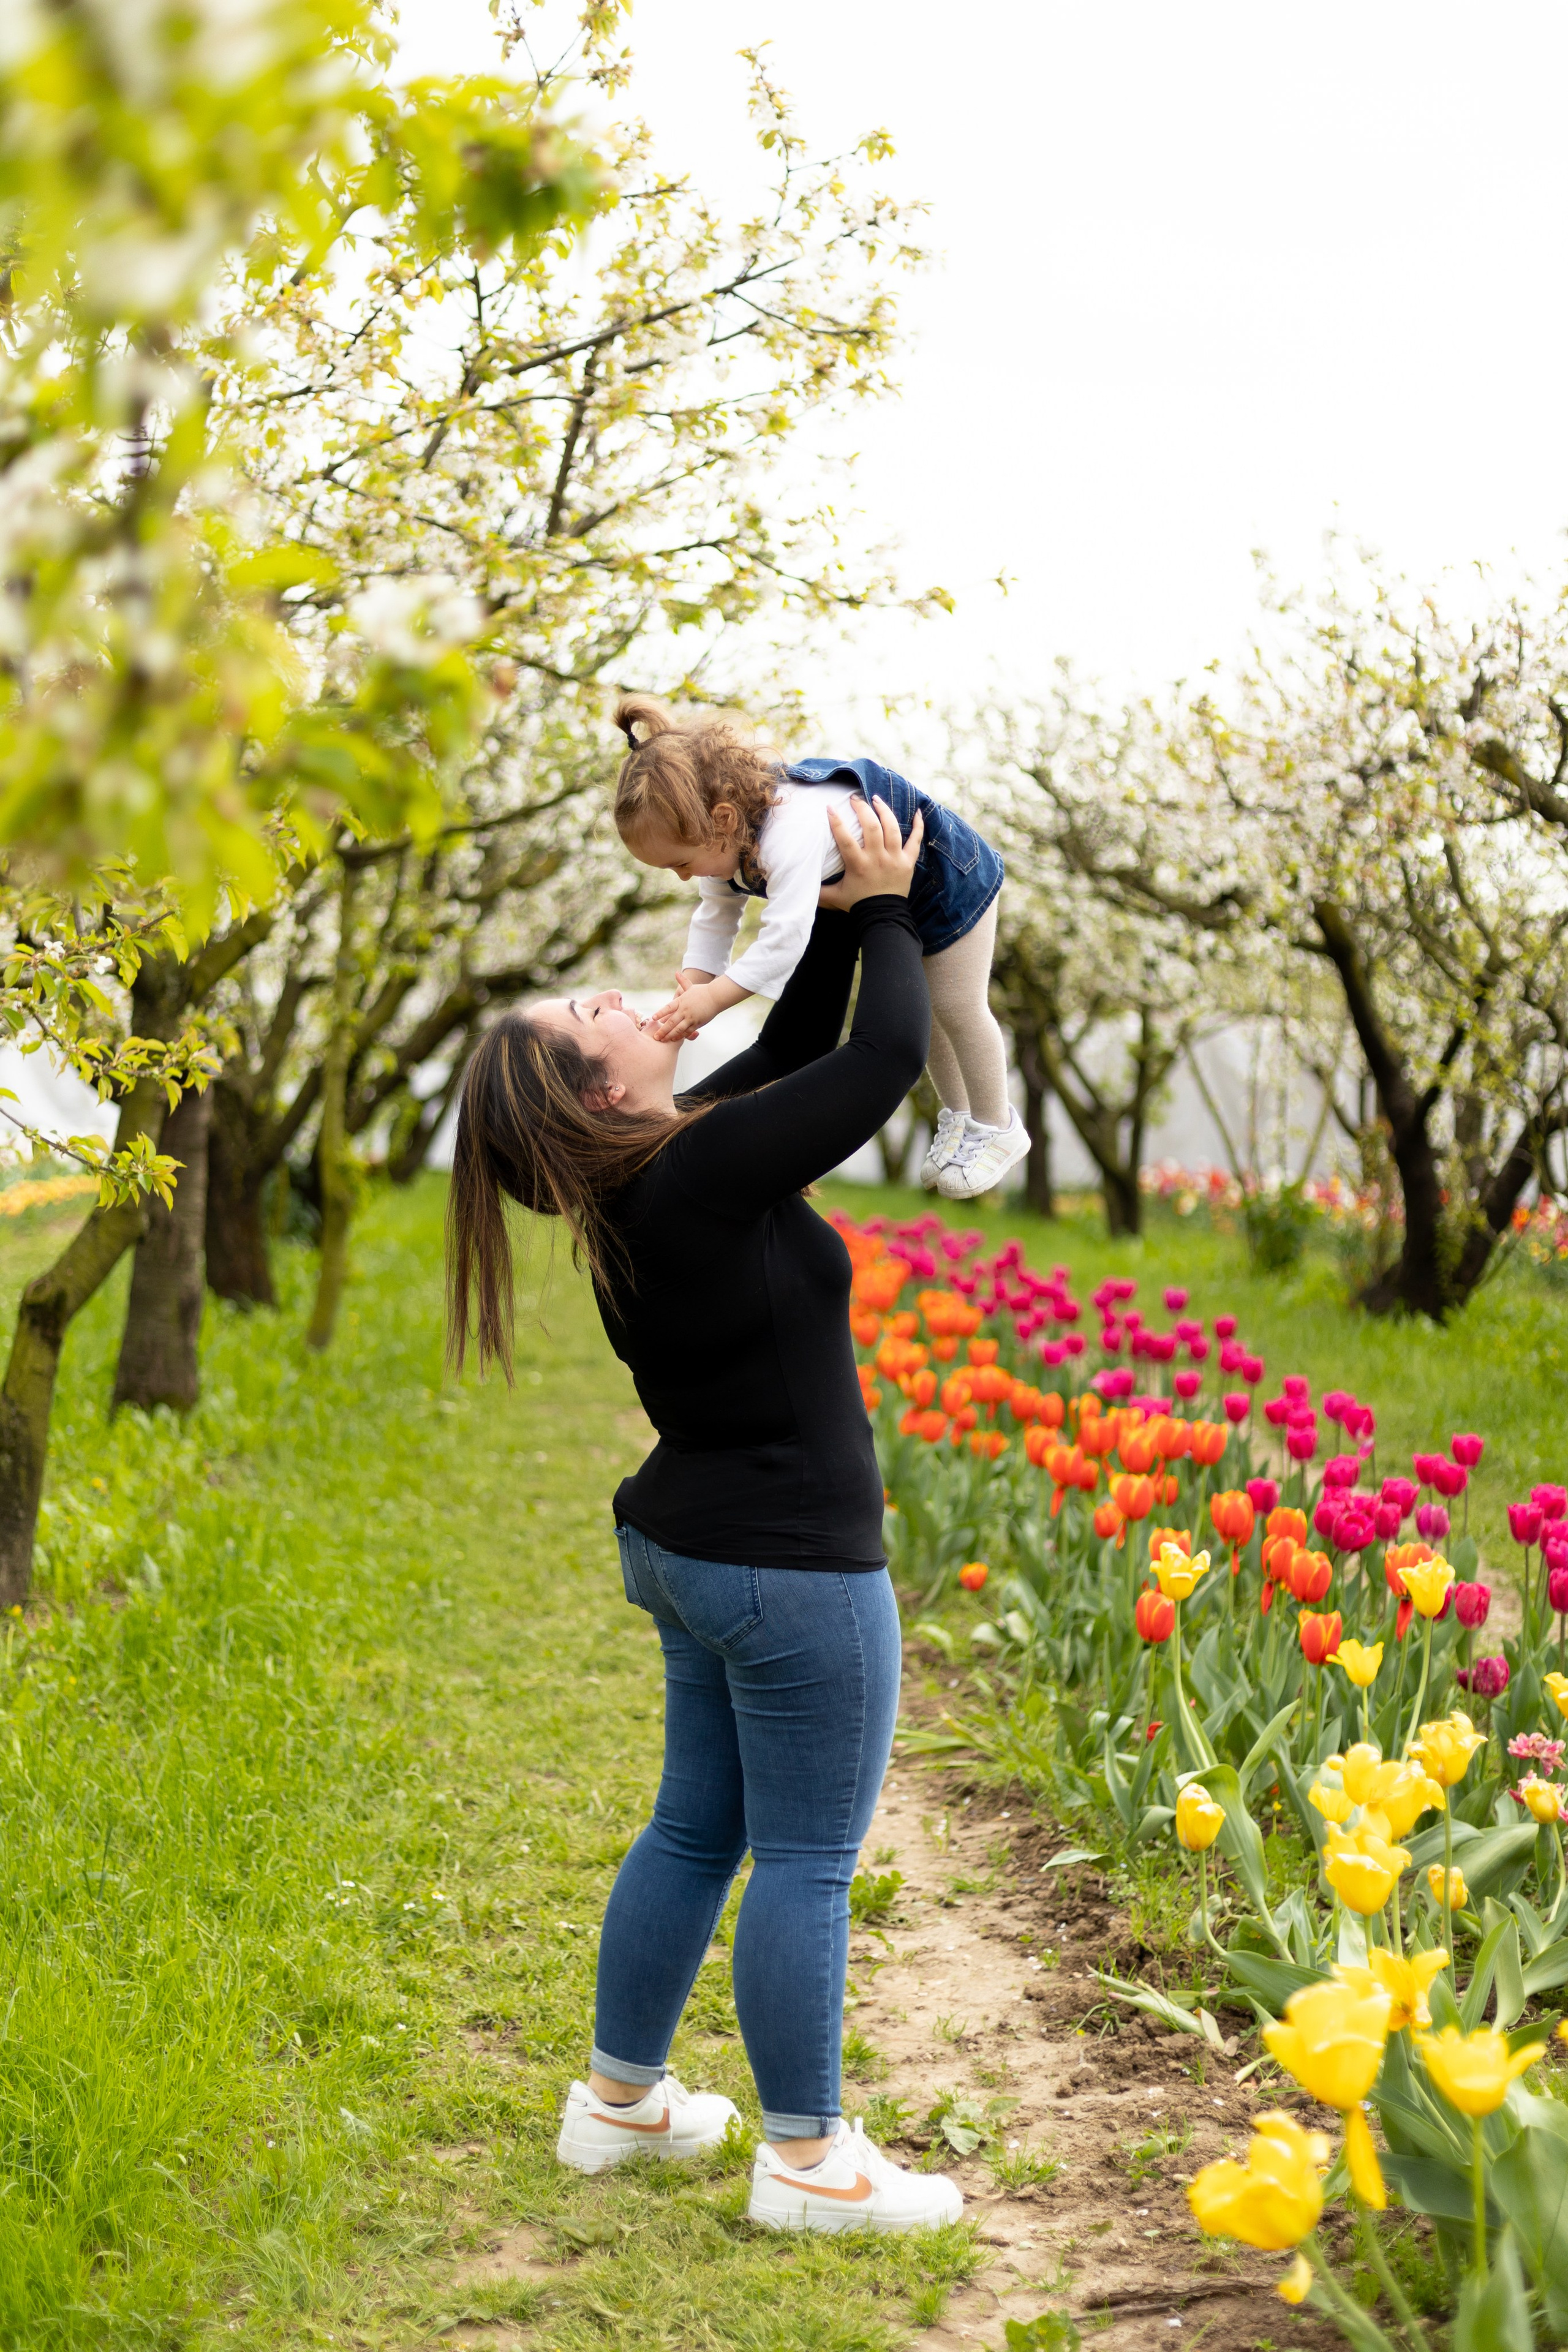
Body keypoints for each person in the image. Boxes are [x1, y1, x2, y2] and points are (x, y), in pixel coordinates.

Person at [447, 799, 963, 2233]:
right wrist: (888, 908)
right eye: (589, 1014)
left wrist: (794, 902)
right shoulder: (692, 1172)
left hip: (693, 1549)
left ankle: (617, 2107)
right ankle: (808, 2162)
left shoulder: (646, 1179)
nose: (617, 992)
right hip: (788, 1564)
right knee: (802, 1855)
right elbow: (880, 1057)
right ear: (596, 1094)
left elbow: (795, 1052)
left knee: (694, 1827)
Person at [609, 693, 1028, 1200]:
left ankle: (997, 1123)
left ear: (720, 820)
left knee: (956, 1005)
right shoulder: (725, 840)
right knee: (934, 1014)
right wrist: (695, 985)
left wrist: (716, 998)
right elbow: (715, 916)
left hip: (946, 876)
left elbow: (785, 941)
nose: (681, 878)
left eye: (680, 863)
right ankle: (960, 1117)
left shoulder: (790, 834)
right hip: (889, 889)